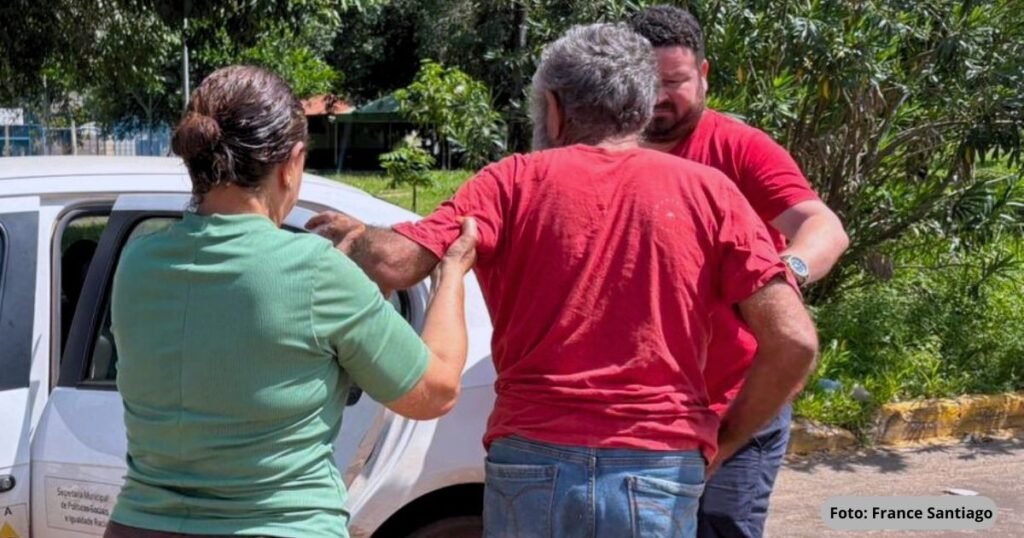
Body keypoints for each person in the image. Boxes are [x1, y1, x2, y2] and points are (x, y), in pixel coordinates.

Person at [307, 24, 818, 538]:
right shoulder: (711, 193)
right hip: (660, 465)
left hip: (533, 459)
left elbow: (397, 263)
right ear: (641, 107)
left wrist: (357, 235)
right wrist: (724, 440)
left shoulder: (510, 182)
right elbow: (794, 341)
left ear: (553, 108)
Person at [105, 65, 476, 538]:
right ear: (292, 163)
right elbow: (435, 391)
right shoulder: (316, 271)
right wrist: (452, 275)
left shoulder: (138, 260)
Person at [628, 6, 850, 538]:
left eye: (676, 82)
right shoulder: (598, 151)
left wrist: (782, 276)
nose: (661, 97)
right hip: (641, 404)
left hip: (739, 402)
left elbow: (824, 227)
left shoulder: (737, 147)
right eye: (646, 83)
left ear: (703, 75)